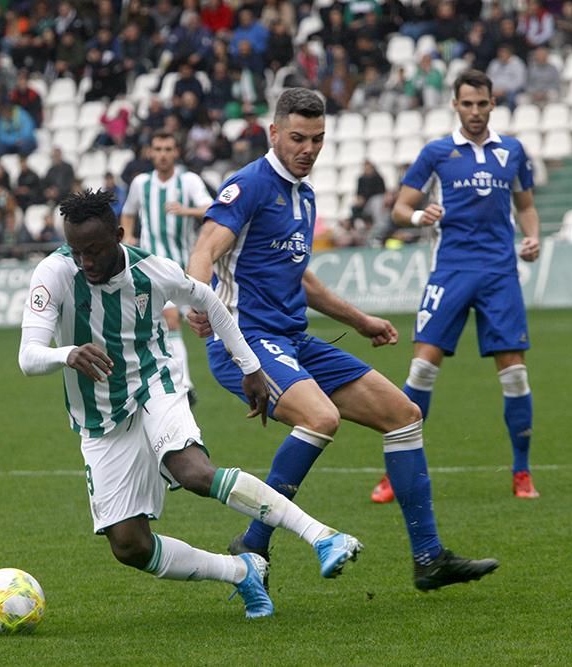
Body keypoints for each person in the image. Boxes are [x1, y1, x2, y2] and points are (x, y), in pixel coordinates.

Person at [186, 88, 499, 591]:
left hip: (292, 339)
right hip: (243, 341)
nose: (307, 149)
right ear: (273, 133)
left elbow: (301, 278)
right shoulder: (248, 187)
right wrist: (197, 302)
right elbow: (205, 249)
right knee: (321, 417)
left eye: (317, 139)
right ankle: (253, 539)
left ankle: (429, 558)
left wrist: (360, 321)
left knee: (403, 417)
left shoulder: (304, 196)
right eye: (297, 138)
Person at [19, 188, 364, 619]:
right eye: (77, 251)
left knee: (195, 471)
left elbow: (208, 300)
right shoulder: (53, 273)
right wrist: (66, 353)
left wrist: (250, 365)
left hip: (154, 384)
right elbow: (28, 356)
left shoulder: (153, 271)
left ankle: (323, 537)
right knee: (130, 546)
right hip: (100, 417)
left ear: (120, 236)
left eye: (95, 250)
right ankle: (241, 571)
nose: (86, 261)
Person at [369, 70, 543, 504]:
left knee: (515, 375)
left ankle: (521, 471)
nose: (475, 112)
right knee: (422, 370)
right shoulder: (438, 152)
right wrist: (416, 217)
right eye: (467, 104)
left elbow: (526, 205)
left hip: (500, 272)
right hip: (451, 271)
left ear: (492, 104)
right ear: (455, 105)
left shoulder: (513, 152)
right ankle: (396, 472)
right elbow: (400, 208)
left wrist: (532, 235)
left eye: (482, 104)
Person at [120, 132, 214, 404]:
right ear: (151, 152)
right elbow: (128, 211)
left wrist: (186, 211)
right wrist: (127, 237)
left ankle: (180, 379)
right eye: (158, 148)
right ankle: (183, 383)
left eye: (168, 148)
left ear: (176, 152)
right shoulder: (141, 183)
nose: (162, 154)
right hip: (152, 267)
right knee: (169, 321)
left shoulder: (188, 181)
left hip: (185, 265)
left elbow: (211, 208)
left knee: (195, 323)